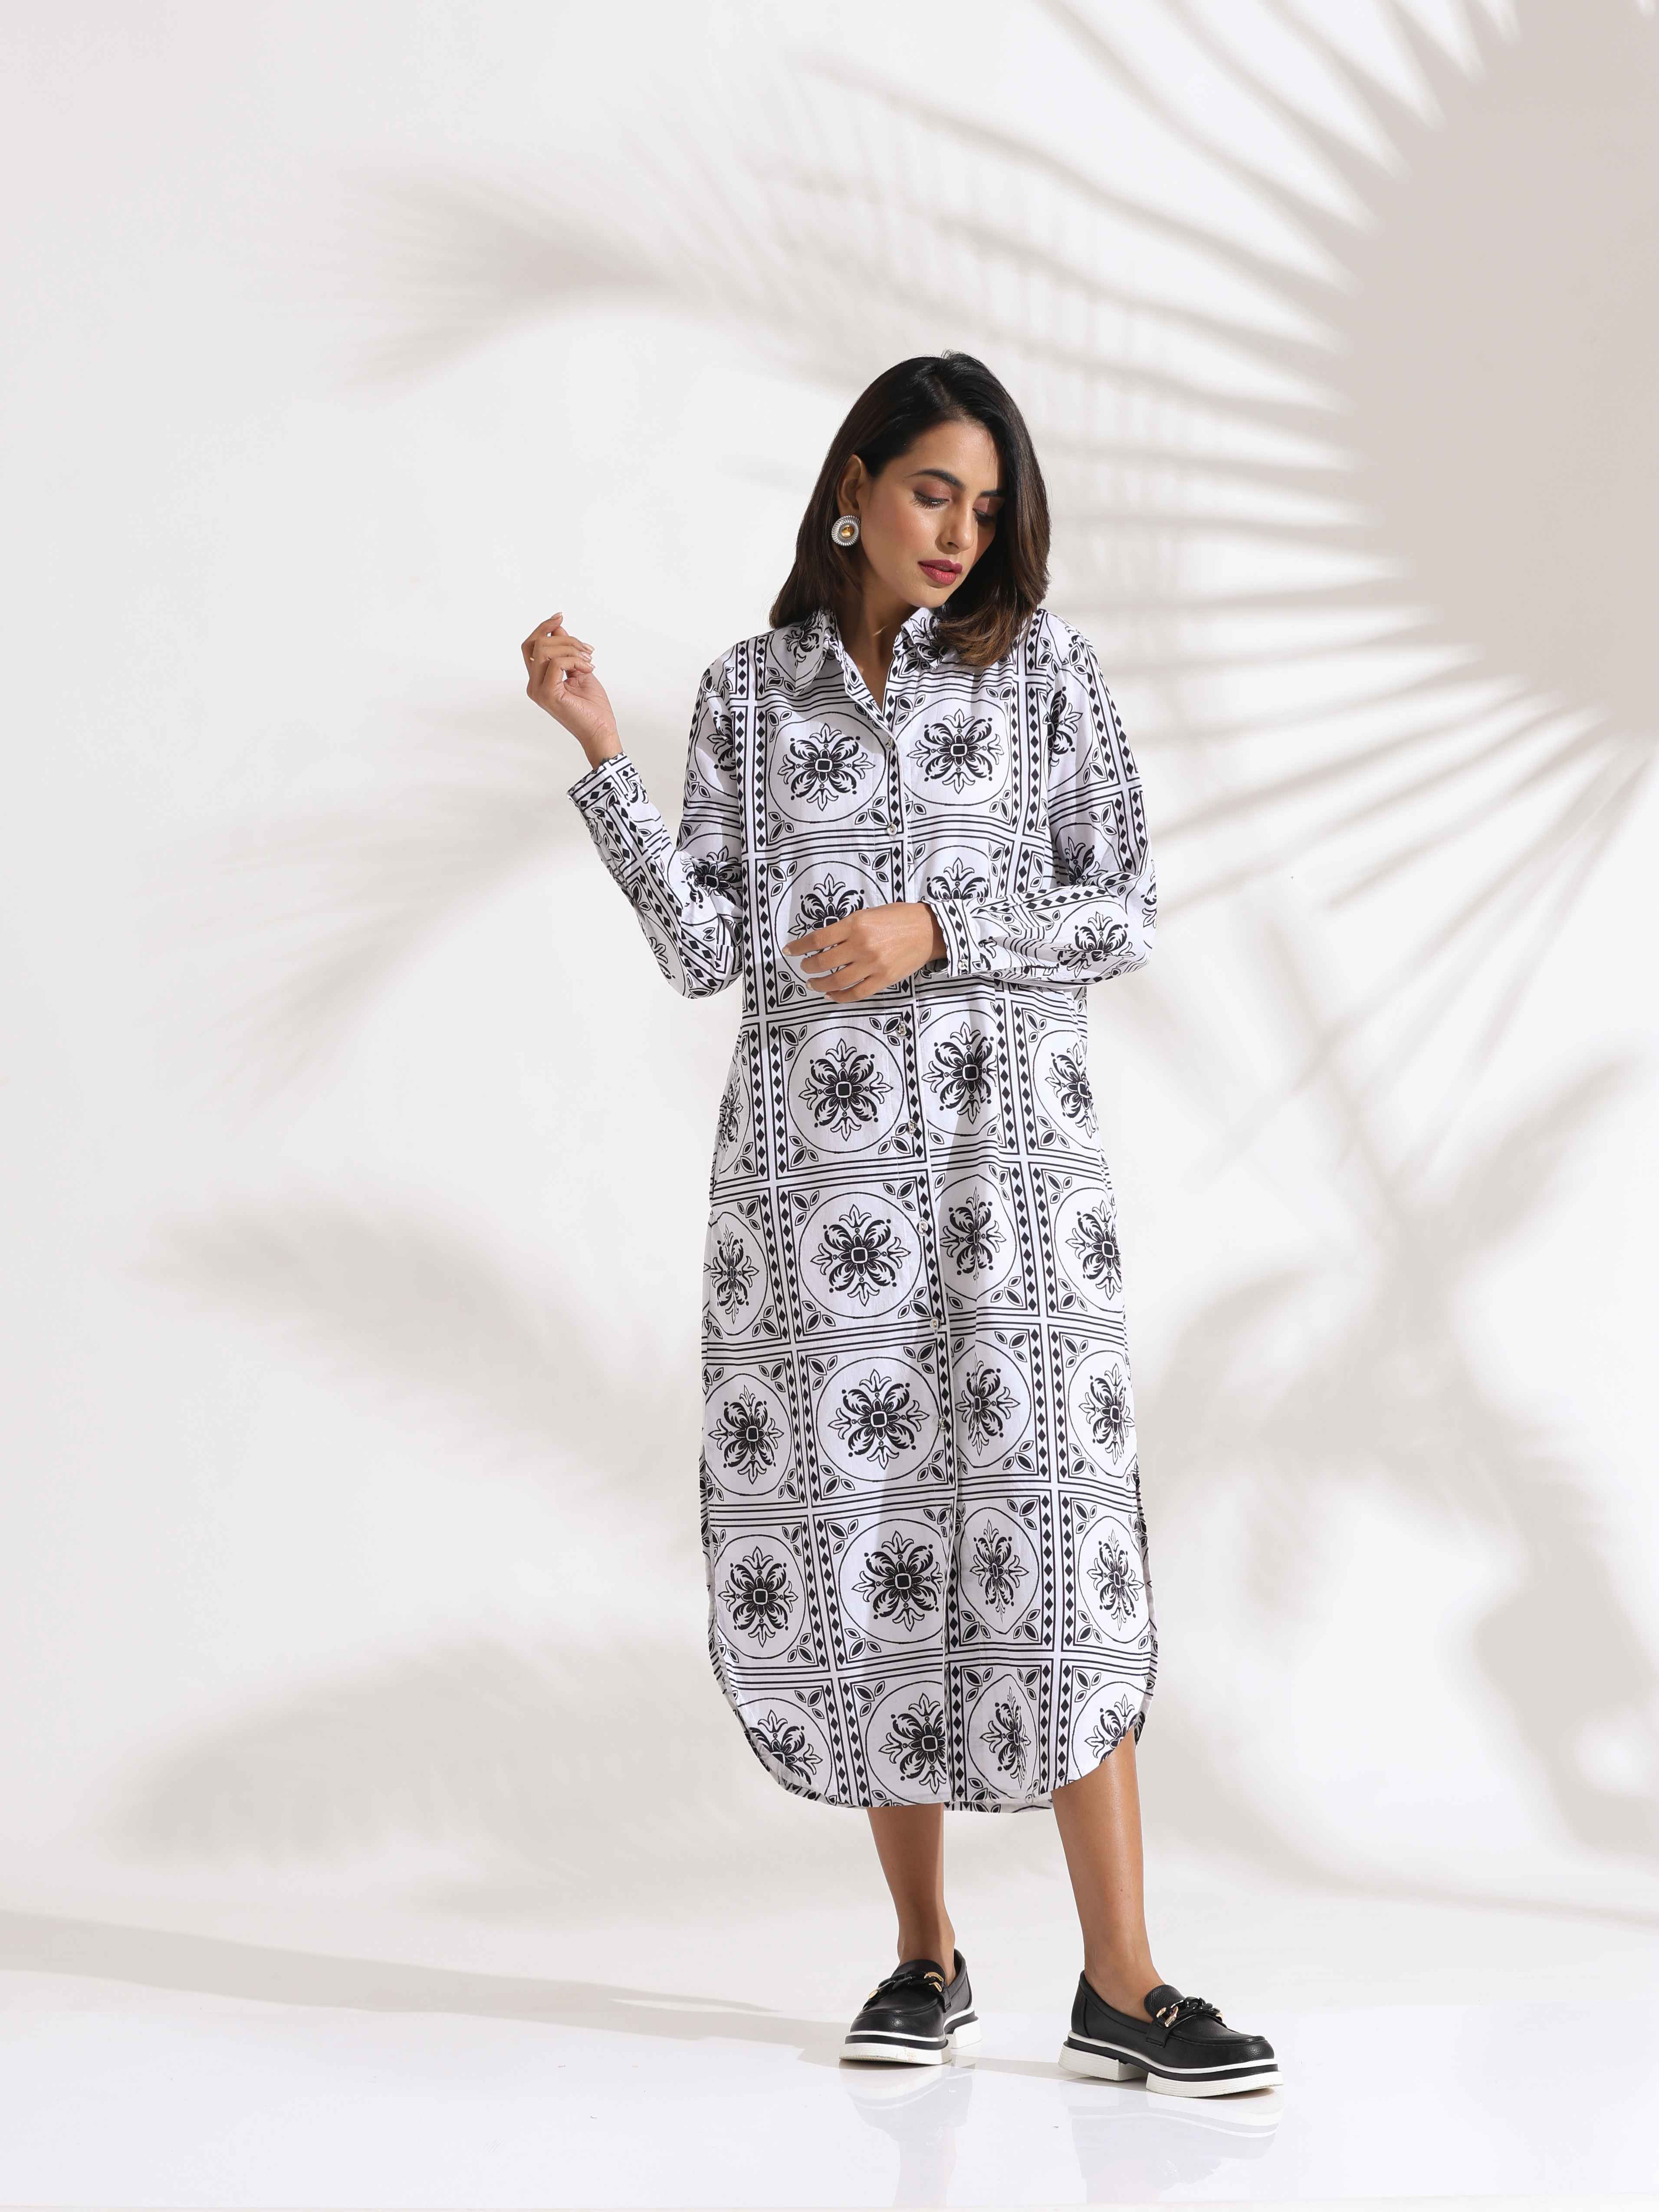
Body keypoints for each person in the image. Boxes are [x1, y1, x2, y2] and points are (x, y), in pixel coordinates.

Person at [521, 353, 1278, 2099]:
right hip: (819, 1196)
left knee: (1055, 1539)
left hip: (1016, 1186)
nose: (959, 532)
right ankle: (924, 1956)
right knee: (869, 1541)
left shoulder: (1046, 672)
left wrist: (937, 927)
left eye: (986, 506)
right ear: (853, 486)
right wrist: (602, 750)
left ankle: (1123, 1980)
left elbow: (1122, 905)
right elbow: (703, 947)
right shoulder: (749, 691)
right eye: (934, 490)